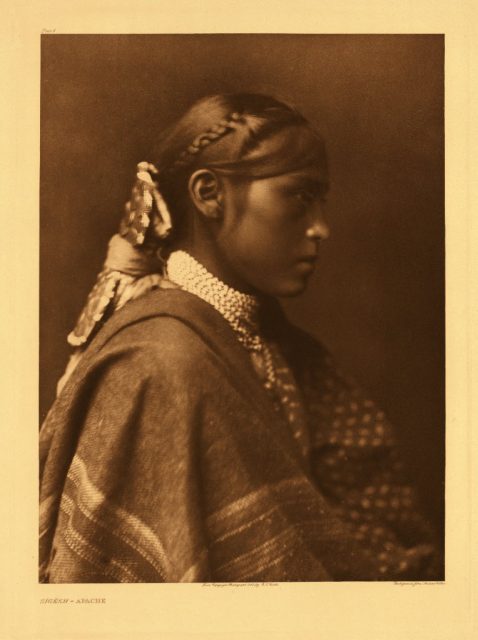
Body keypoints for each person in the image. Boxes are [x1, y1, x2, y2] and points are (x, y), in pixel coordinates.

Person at [39, 93, 442, 583]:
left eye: (321, 203)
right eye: (299, 197)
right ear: (209, 194)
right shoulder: (159, 366)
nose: (321, 229)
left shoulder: (267, 342)